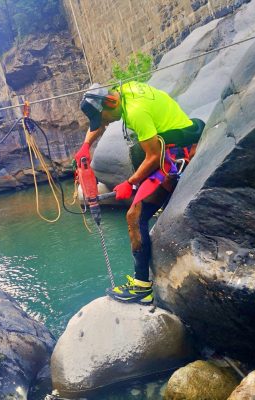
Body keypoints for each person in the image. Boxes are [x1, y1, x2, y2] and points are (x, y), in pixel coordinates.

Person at [75, 81, 204, 304]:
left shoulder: (136, 112)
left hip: (171, 152)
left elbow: (153, 156)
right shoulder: (124, 91)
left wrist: (130, 183)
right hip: (175, 135)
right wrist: (86, 145)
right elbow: (101, 120)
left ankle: (142, 289)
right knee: (137, 156)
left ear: (111, 102)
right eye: (101, 120)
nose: (105, 123)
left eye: (104, 117)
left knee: (134, 216)